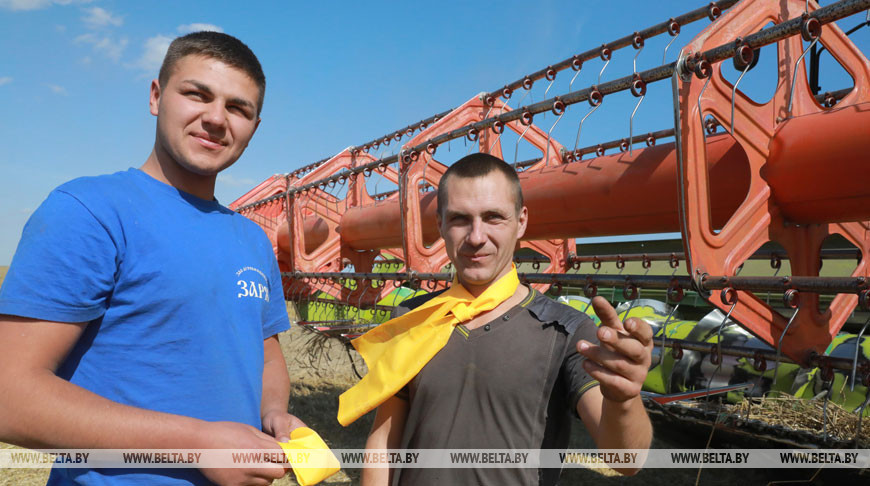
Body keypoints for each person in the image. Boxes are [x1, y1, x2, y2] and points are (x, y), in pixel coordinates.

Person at [0, 32, 303, 485]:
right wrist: (198, 443)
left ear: (255, 126)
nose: (216, 119)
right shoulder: (90, 211)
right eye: (197, 94)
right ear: (156, 97)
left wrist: (275, 415)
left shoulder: (250, 239)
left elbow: (265, 356)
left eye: (238, 108)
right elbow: (10, 397)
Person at [351, 153, 654, 485]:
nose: (476, 236)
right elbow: (383, 443)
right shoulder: (412, 318)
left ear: (521, 221)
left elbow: (625, 460)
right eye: (459, 219)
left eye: (493, 217)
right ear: (439, 224)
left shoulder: (566, 333)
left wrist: (623, 399)